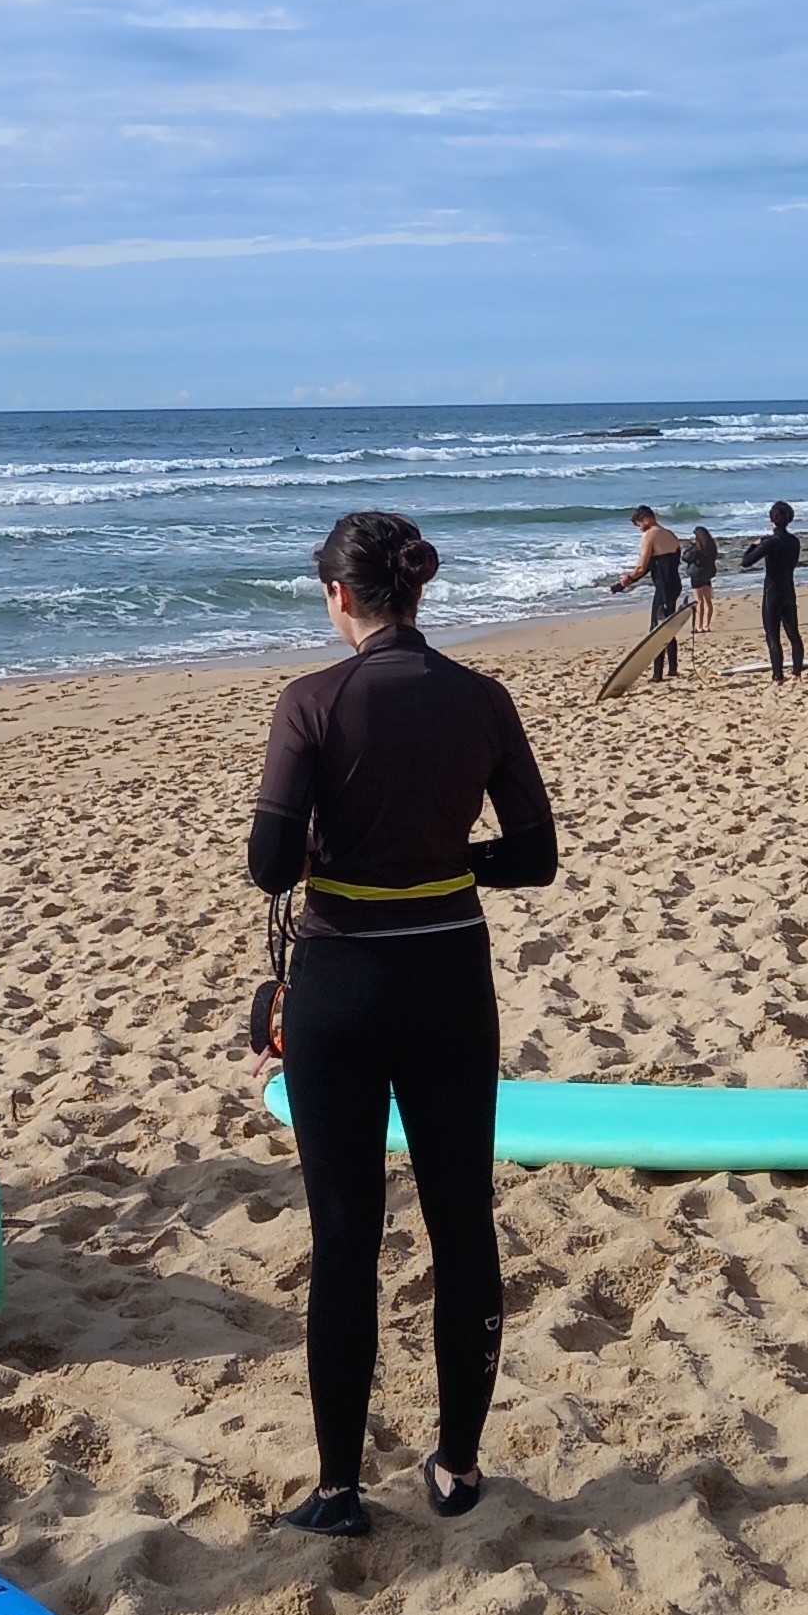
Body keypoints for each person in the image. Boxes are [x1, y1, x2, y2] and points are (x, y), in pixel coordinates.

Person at [248, 511, 557, 1537]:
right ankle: (458, 1469)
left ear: (339, 594)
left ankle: (339, 1492)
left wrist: (340, 852)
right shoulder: (482, 698)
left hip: (341, 984)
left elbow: (269, 865)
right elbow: (535, 856)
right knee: (462, 1221)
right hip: (451, 980)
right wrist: (447, 859)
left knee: (344, 1235)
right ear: (418, 591)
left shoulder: (312, 701)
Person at [603, 504, 685, 682]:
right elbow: (654, 565)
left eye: (639, 524)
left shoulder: (650, 535)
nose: (639, 529)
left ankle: (657, 675)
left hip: (664, 589)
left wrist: (625, 581)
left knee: (656, 629)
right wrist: (626, 582)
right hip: (675, 585)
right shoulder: (670, 534)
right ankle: (672, 669)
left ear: (646, 520)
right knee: (668, 626)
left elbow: (642, 567)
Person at [739, 501, 805, 680]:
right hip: (788, 588)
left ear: (773, 520)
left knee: (772, 635)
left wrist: (754, 545)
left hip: (773, 590)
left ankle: (778, 676)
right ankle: (797, 673)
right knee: (793, 634)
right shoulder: (794, 541)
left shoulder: (771, 542)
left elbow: (746, 562)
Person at [685, 519, 720, 634]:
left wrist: (691, 546)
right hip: (707, 574)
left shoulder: (696, 548)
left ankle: (699, 626)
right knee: (708, 600)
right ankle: (706, 625)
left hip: (696, 575)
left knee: (699, 601)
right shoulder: (711, 547)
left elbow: (686, 557)